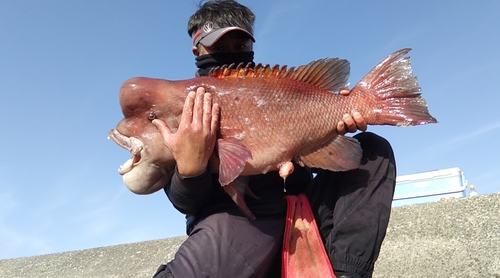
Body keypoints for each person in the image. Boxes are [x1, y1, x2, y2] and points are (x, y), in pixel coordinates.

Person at [152, 1, 396, 277]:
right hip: (237, 223)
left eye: (240, 46)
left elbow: (321, 161)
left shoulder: (276, 89)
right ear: (197, 51)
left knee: (374, 150)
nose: (231, 55)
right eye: (218, 48)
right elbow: (184, 202)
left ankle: (344, 273)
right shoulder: (182, 108)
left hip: (302, 209)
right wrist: (190, 170)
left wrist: (333, 126)